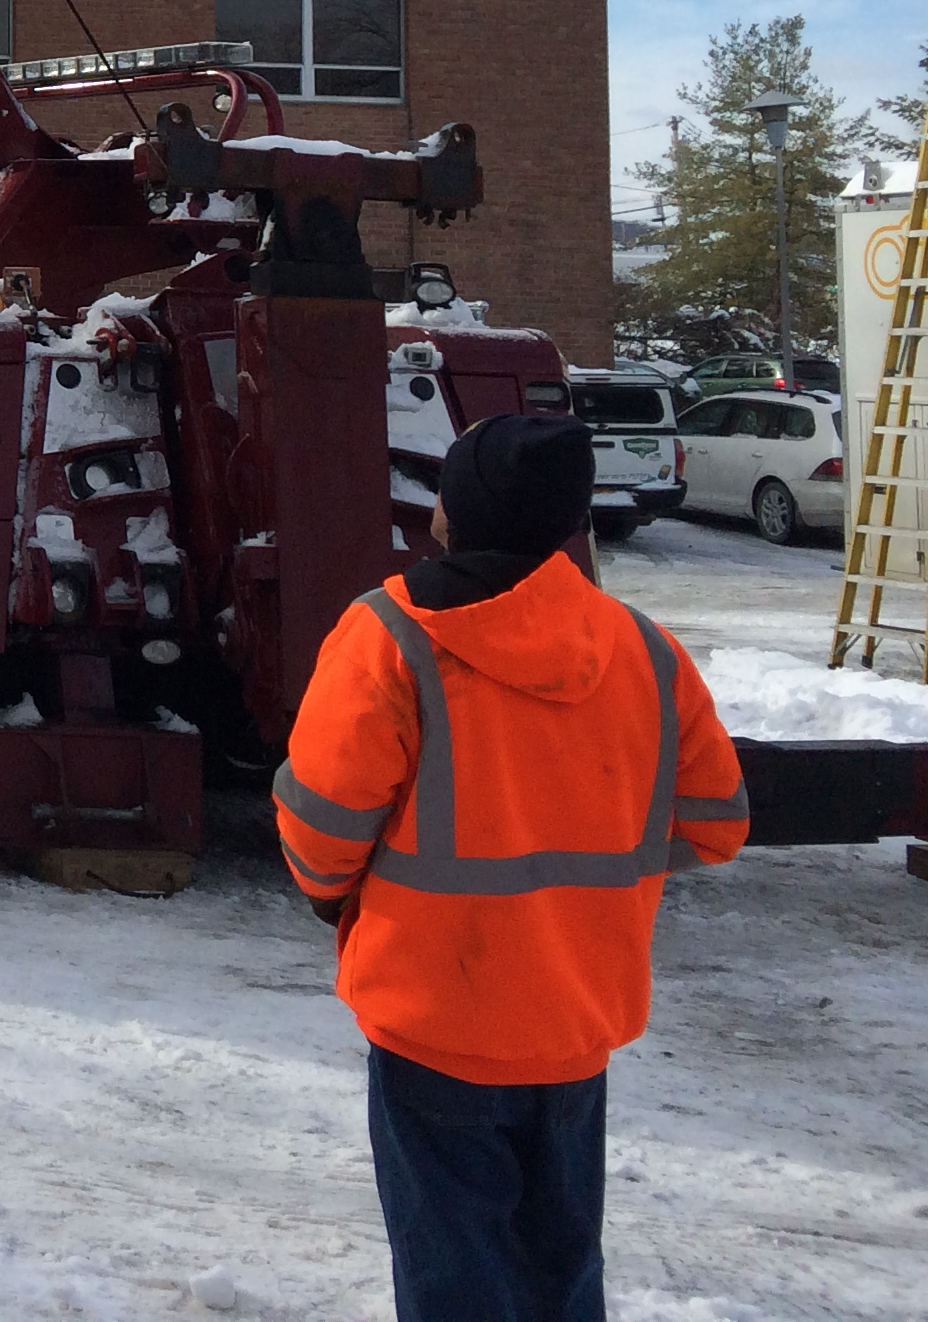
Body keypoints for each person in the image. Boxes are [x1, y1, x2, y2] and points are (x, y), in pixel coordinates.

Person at [275, 412, 748, 1322]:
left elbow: (319, 835)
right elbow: (716, 822)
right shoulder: (643, 649)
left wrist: (340, 900)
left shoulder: (391, 636)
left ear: (454, 510)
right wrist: (596, 882)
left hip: (433, 1026)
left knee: (456, 1280)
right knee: (559, 1275)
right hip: (574, 1026)